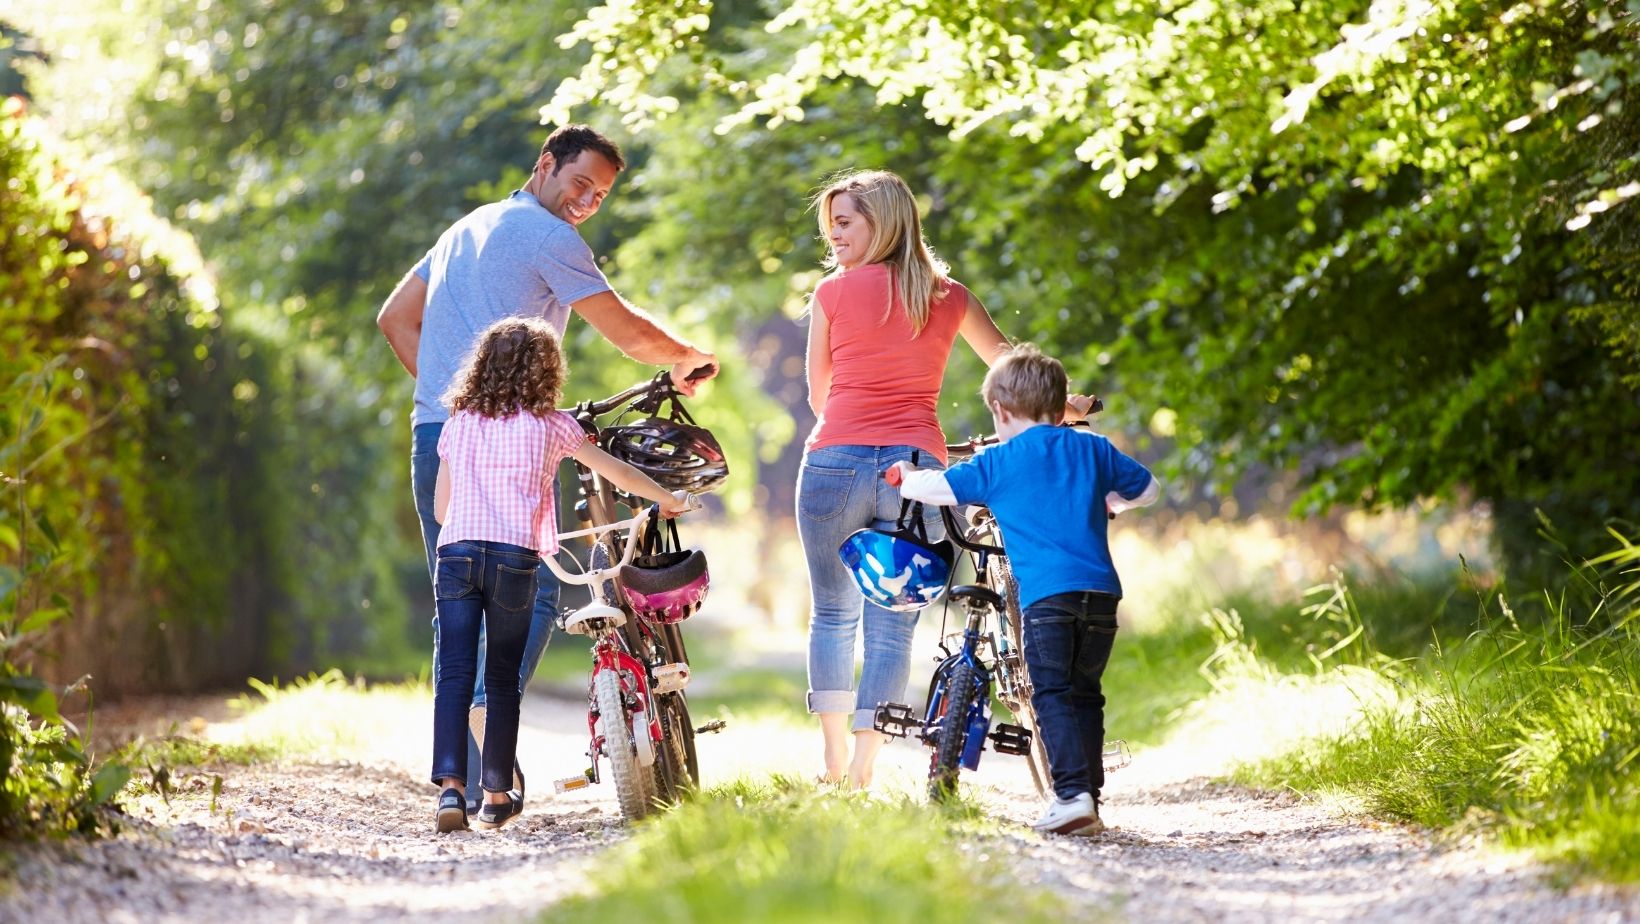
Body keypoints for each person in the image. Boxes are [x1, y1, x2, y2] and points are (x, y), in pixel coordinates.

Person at [377, 124, 717, 814]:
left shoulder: (466, 227)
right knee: (525, 590)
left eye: (599, 196)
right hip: (513, 443)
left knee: (458, 599)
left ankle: (470, 785)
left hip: (438, 434)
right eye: (579, 184)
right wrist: (685, 356)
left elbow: (394, 319)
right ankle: (484, 719)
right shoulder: (547, 237)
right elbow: (624, 331)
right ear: (545, 165)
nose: (586, 203)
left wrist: (463, 401)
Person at [799, 169, 1024, 790]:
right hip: (917, 471)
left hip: (832, 462)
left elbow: (820, 396)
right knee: (895, 617)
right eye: (831, 225)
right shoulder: (949, 296)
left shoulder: (831, 295)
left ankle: (834, 762)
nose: (833, 237)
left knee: (832, 613)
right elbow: (1012, 373)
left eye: (844, 223)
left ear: (885, 221)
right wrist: (1067, 406)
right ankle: (865, 765)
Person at [430, 317, 692, 832]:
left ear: (481, 367)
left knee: (454, 675)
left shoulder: (458, 421)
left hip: (456, 554)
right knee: (501, 680)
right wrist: (669, 499)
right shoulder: (552, 425)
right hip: (513, 558)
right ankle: (496, 793)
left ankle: (449, 794)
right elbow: (616, 473)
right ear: (546, 371)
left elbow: (442, 508)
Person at [888, 344, 1160, 836]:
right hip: (1100, 595)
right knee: (1085, 693)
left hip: (1046, 599)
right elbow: (1148, 489)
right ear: (1061, 410)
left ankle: (1072, 796)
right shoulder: (1092, 448)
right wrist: (1109, 503)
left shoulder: (1001, 461)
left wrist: (906, 479)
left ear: (999, 410)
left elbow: (940, 488)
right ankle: (1088, 796)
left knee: (1052, 692)